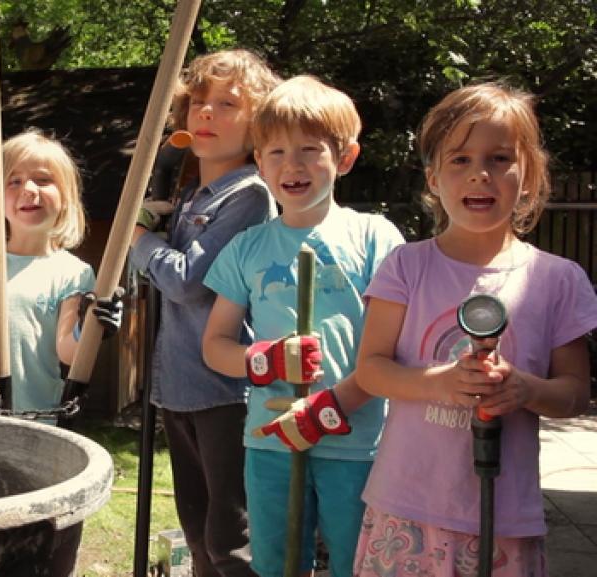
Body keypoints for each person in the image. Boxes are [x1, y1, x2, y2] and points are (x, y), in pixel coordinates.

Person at [353, 82, 597, 577]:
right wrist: (438, 382)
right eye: (459, 159)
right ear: (433, 178)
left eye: (500, 158)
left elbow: (574, 393)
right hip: (406, 508)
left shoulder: (558, 279)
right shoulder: (405, 267)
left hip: (504, 517)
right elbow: (371, 370)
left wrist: (526, 389)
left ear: (528, 175)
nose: (480, 175)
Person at [202, 75, 405, 577]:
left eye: (310, 150)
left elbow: (396, 343)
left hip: (356, 437)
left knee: (359, 560)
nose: (292, 165)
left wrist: (336, 401)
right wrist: (261, 359)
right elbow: (215, 344)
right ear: (259, 164)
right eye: (275, 152)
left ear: (347, 157)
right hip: (270, 436)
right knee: (277, 561)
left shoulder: (374, 236)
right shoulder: (247, 247)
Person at [128, 49, 279, 577]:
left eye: (228, 103)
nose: (208, 112)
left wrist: (141, 241)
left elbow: (188, 282)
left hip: (225, 392)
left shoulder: (250, 196)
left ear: (260, 122)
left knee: (231, 539)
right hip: (179, 388)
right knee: (196, 532)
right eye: (199, 102)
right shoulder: (189, 194)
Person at [0, 129, 122, 418]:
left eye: (43, 180)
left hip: (38, 422)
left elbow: (68, 352)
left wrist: (92, 325)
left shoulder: (73, 273)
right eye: (13, 181)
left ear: (67, 196)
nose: (29, 189)